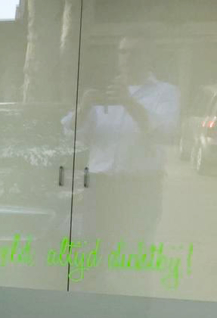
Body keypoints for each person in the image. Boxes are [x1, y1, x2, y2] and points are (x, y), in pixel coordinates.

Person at [66, 36, 180, 243]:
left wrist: (128, 102)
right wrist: (83, 109)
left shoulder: (165, 92)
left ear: (149, 56)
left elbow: (166, 134)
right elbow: (71, 134)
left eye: (135, 52)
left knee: (133, 250)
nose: (127, 57)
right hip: (99, 187)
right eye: (123, 51)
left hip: (139, 187)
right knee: (93, 249)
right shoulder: (104, 90)